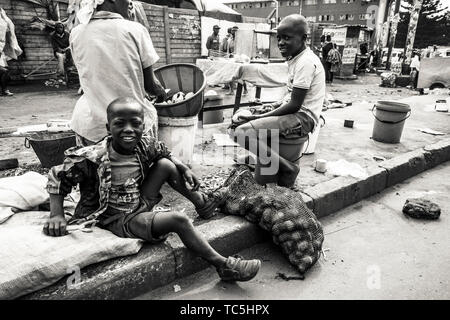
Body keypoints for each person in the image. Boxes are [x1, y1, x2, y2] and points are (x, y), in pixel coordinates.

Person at [43, 97, 261, 282]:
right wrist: (57, 214)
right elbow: (58, 176)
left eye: (135, 124)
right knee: (179, 220)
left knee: (166, 164)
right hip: (117, 218)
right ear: (109, 128)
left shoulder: (143, 144)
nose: (128, 130)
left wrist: (184, 167)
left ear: (142, 126)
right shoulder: (92, 158)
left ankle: (202, 204)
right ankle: (223, 265)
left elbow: (163, 152)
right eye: (120, 124)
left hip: (139, 202)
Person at [233, 14, 325, 188]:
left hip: (303, 118)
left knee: (241, 132)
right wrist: (271, 106)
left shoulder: (306, 62)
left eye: (287, 38)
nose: (281, 42)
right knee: (242, 122)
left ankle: (288, 168)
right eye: (279, 38)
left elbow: (295, 105)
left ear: (303, 38)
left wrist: (256, 119)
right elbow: (291, 96)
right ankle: (270, 176)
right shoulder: (296, 59)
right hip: (295, 113)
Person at [69, 0, 167, 147]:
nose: (131, 4)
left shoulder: (76, 33)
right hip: (130, 126)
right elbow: (151, 85)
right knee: (137, 167)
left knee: (95, 168)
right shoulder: (135, 30)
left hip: (90, 127)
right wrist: (162, 93)